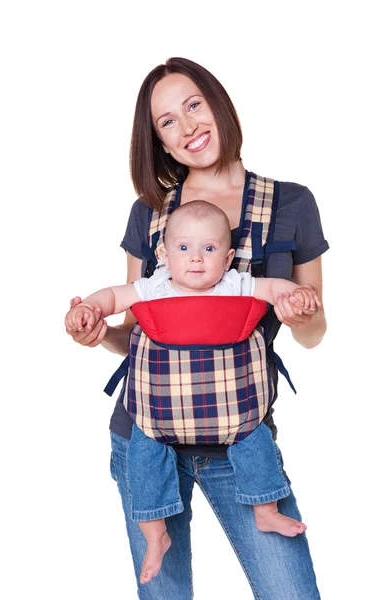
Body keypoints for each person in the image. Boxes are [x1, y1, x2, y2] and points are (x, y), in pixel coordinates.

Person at [67, 57, 328, 599]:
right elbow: (136, 329)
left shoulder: (292, 204)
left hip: (241, 437)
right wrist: (98, 333)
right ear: (160, 142)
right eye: (167, 121)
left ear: (218, 103)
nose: (187, 127)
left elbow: (313, 332)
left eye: (193, 105)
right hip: (148, 433)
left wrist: (304, 314)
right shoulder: (149, 214)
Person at [65, 200, 321, 584]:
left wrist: (294, 296)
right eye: (184, 249)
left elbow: (273, 287)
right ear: (164, 254)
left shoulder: (235, 282)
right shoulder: (153, 287)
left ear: (229, 256)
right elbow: (114, 297)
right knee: (143, 459)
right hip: (156, 424)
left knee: (257, 443)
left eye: (210, 249)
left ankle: (266, 508)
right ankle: (155, 535)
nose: (197, 259)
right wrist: (88, 308)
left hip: (235, 421)